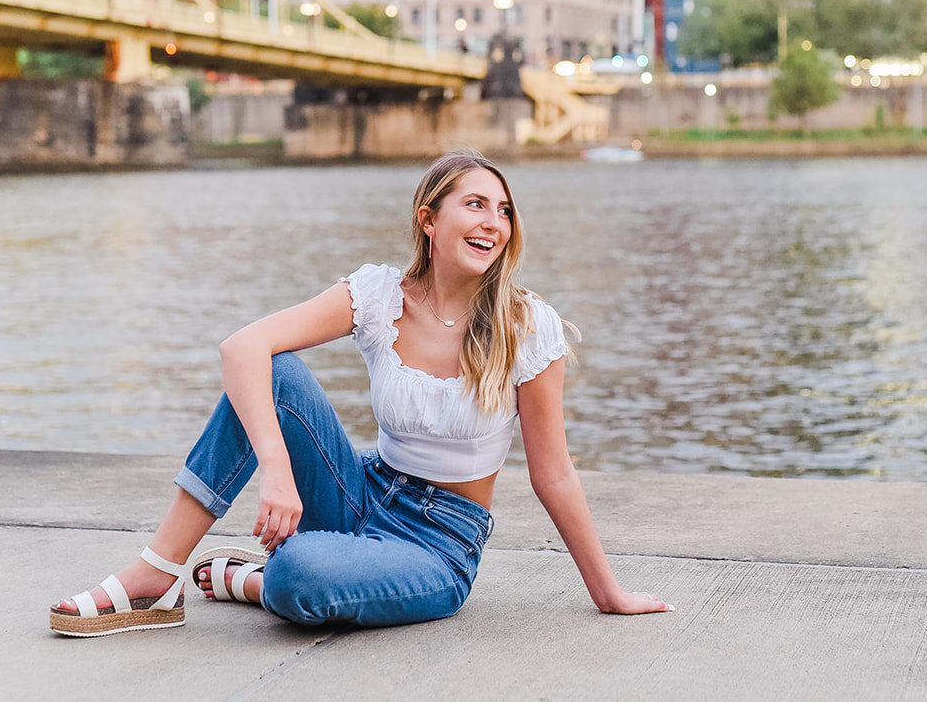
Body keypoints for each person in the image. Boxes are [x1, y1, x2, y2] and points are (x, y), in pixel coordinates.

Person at [50, 150, 670, 637]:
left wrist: (607, 592)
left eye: (504, 210)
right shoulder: (378, 296)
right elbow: (242, 348)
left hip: (438, 543)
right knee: (275, 371)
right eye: (476, 205)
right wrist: (275, 466)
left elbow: (554, 472)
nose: (494, 224)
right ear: (429, 218)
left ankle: (257, 582)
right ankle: (158, 573)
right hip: (362, 489)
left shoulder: (525, 324)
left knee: (298, 573)